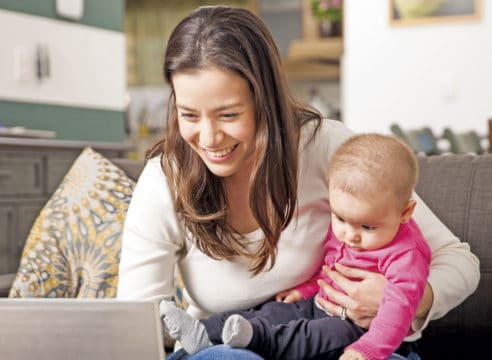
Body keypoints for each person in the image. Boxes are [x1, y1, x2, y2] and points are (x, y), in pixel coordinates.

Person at [117, 5, 480, 360]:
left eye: (229, 115)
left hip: (336, 338)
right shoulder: (165, 179)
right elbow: (136, 324)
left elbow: (458, 261)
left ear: (266, 102)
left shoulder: (327, 148)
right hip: (227, 348)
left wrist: (406, 298)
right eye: (189, 115)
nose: (209, 138)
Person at [160, 134, 431, 360]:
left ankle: (254, 339)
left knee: (322, 335)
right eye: (340, 218)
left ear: (405, 212)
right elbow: (331, 269)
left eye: (368, 227)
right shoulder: (350, 224)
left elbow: (398, 312)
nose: (350, 235)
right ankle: (204, 332)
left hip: (364, 331)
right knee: (272, 311)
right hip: (320, 303)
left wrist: (368, 349)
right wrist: (307, 289)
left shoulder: (407, 254)